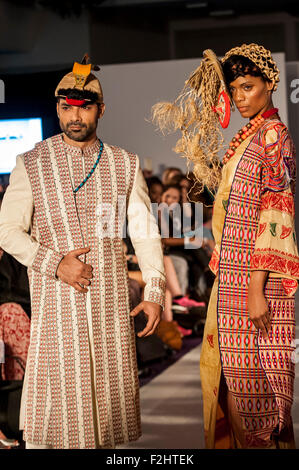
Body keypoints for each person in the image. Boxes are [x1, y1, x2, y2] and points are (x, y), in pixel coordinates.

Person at [0, 58, 166, 449]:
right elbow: (7, 230)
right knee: (55, 428)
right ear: (57, 107)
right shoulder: (32, 163)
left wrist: (155, 292)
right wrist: (56, 263)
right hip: (56, 311)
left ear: (101, 109)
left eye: (85, 107)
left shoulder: (124, 163)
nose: (75, 116)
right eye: (66, 107)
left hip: (109, 312)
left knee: (106, 427)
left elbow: (143, 231)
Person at [152, 43, 299, 449]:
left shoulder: (274, 136)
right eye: (235, 88)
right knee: (230, 384)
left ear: (270, 84)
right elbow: (238, 205)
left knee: (258, 397)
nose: (240, 96)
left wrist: (255, 289)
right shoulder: (249, 132)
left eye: (249, 86)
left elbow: (275, 214)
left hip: (255, 282)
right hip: (232, 277)